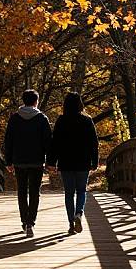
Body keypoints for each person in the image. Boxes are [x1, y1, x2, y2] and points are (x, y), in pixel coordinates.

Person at [47, 92, 99, 235]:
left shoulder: (61, 120)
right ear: (80, 104)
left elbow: (55, 143)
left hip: (66, 162)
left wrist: (51, 162)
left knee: (69, 193)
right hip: (83, 162)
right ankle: (79, 213)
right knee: (81, 190)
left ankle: (71, 223)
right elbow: (94, 143)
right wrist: (95, 161)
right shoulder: (87, 121)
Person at [4, 89, 52, 237]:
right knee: (34, 192)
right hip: (36, 161)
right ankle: (31, 222)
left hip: (19, 161)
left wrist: (8, 161)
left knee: (22, 192)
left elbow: (8, 141)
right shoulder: (42, 119)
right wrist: (50, 162)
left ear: (23, 101)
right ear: (36, 101)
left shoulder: (14, 119)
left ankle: (24, 221)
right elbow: (48, 142)